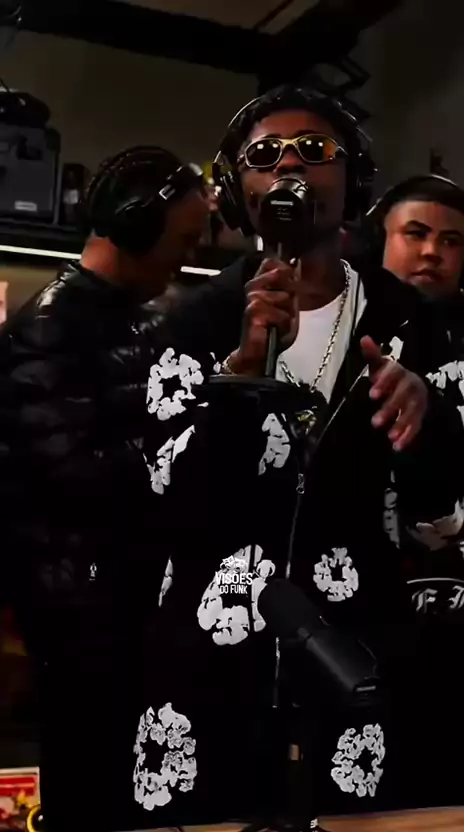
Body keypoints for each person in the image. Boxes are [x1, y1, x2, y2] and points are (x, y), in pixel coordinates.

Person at [139, 88, 464, 826]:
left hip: (355, 655)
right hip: (212, 661)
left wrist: (430, 419)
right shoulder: (191, 323)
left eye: (314, 150)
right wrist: (237, 376)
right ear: (238, 190)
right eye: (264, 155)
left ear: (355, 181)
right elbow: (164, 495)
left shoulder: (411, 323)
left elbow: (441, 516)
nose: (288, 165)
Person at [0, 144, 208, 831]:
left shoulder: (136, 317)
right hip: (80, 615)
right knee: (90, 789)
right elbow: (73, 473)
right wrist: (183, 447)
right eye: (183, 242)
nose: (186, 259)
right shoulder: (50, 328)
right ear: (135, 226)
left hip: (127, 603)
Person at [366, 175, 464, 805]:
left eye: (451, 241)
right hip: (367, 619)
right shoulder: (344, 329)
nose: (433, 251)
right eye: (417, 233)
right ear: (379, 238)